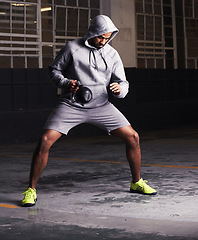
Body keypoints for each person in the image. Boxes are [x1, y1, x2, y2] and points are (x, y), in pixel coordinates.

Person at [22, 15, 157, 207]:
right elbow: (53, 71)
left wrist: (120, 90)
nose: (104, 41)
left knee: (133, 137)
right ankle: (31, 190)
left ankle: (136, 183)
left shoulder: (112, 54)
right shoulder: (72, 48)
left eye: (108, 38)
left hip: (102, 106)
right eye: (101, 37)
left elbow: (123, 82)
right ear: (93, 33)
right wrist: (66, 83)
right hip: (72, 105)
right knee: (44, 141)